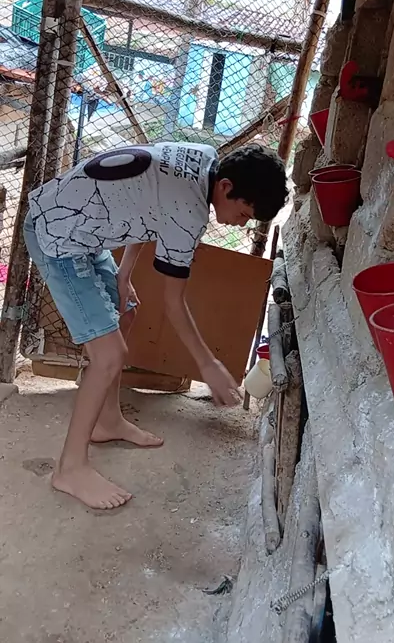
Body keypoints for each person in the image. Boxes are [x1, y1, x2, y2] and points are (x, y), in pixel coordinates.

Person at [23, 141, 288, 510]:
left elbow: (145, 205)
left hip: (80, 224)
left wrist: (124, 274)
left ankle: (107, 421)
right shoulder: (190, 210)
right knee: (108, 356)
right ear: (226, 187)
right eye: (243, 214)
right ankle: (70, 468)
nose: (240, 223)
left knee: (126, 312)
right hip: (58, 235)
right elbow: (173, 304)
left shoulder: (203, 158)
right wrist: (208, 364)